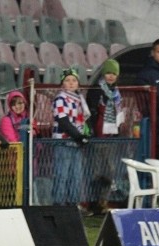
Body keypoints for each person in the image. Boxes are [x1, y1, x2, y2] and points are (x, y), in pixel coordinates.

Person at [86, 58, 123, 214]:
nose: (110, 76)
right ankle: (93, 203)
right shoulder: (96, 90)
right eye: (108, 73)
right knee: (96, 172)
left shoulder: (116, 93)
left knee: (109, 171)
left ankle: (102, 202)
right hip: (98, 135)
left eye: (113, 73)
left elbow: (119, 112)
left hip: (111, 136)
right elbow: (91, 112)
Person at [51, 68, 91, 207]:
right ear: (62, 84)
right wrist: (78, 136)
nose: (71, 83)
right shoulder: (60, 99)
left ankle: (73, 205)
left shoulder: (80, 100)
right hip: (63, 142)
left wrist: (84, 135)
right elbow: (63, 121)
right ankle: (59, 205)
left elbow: (82, 121)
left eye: (74, 80)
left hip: (76, 143)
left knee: (76, 176)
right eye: (67, 80)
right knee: (62, 175)